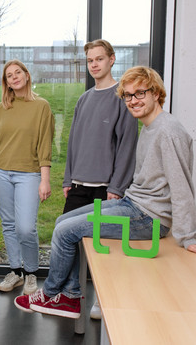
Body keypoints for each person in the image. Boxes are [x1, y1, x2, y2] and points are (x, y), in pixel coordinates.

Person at [14, 66, 196, 319]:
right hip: (134, 204)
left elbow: (181, 187)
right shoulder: (151, 126)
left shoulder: (168, 131)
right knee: (62, 222)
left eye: (140, 93)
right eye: (128, 95)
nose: (133, 101)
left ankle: (51, 294)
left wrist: (189, 237)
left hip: (148, 216)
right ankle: (70, 297)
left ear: (156, 93)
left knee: (64, 230)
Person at [62, 39, 138, 319]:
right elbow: (73, 143)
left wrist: (117, 187)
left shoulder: (122, 99)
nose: (94, 64)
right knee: (66, 239)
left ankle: (103, 299)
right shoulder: (84, 99)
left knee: (104, 250)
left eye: (99, 59)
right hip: (79, 186)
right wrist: (68, 179)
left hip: (108, 190)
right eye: (90, 60)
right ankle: (71, 295)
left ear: (112, 60)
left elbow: (128, 147)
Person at [0, 59, 55, 295]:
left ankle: (32, 273)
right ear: (6, 82)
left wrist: (45, 179)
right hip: (1, 172)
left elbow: (45, 144)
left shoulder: (41, 106)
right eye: (9, 75)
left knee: (26, 228)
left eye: (17, 73)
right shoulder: (1, 108)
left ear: (26, 75)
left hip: (29, 173)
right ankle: (15, 271)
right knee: (9, 225)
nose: (14, 77)